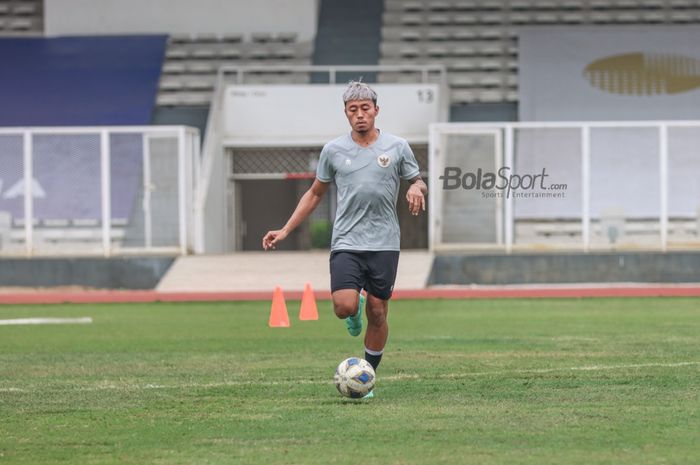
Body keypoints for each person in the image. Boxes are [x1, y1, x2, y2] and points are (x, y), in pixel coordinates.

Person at [262, 81, 427, 397]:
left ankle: (366, 379)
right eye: (353, 110)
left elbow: (417, 181)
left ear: (376, 111)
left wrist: (417, 187)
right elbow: (314, 194)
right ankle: (354, 307)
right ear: (346, 114)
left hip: (384, 243)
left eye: (365, 109)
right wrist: (285, 230)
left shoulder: (397, 147)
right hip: (347, 241)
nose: (360, 115)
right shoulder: (333, 151)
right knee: (342, 306)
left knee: (378, 313)